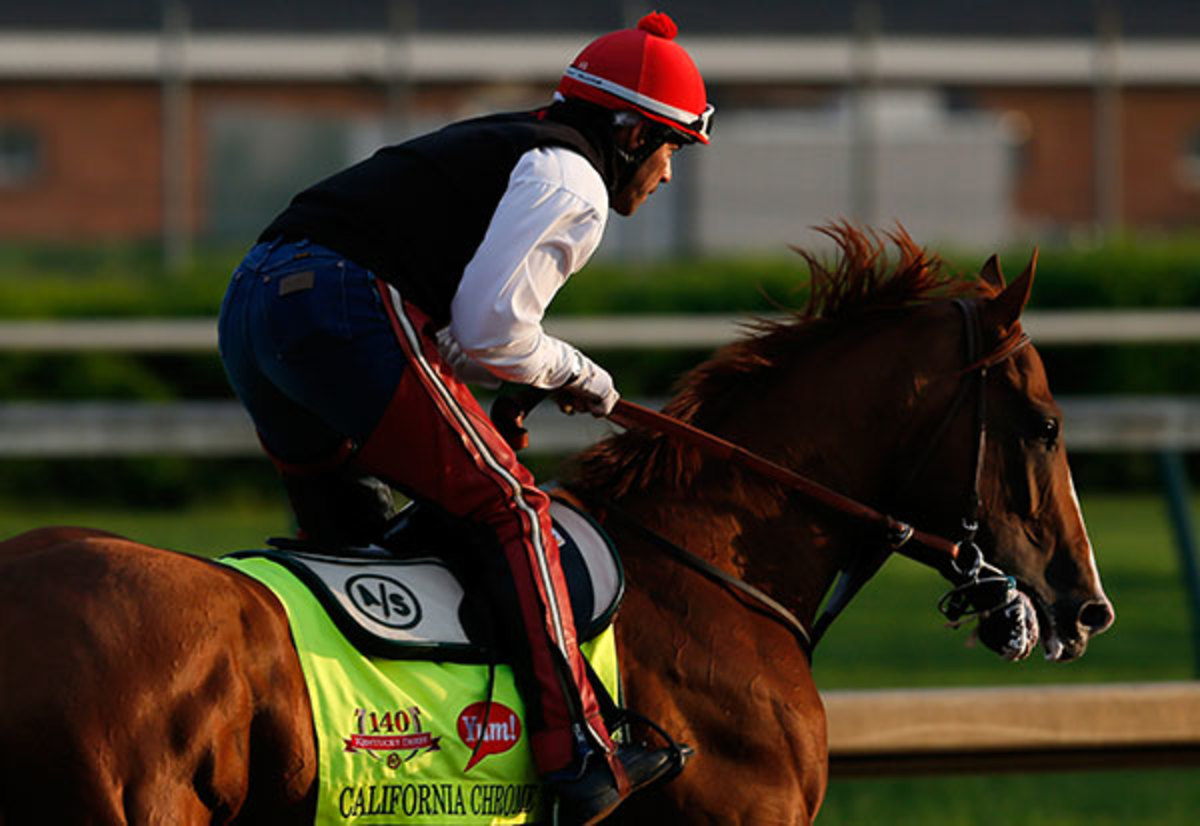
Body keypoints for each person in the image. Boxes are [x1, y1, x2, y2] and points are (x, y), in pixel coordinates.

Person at [217, 11, 712, 823]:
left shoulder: (515, 147)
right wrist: (577, 372)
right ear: (628, 133)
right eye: (670, 149)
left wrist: (523, 386)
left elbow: (458, 334)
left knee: (351, 538)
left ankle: (361, 745)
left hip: (254, 304)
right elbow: (496, 331)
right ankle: (580, 749)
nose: (666, 175)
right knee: (512, 508)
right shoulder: (573, 181)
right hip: (338, 303)